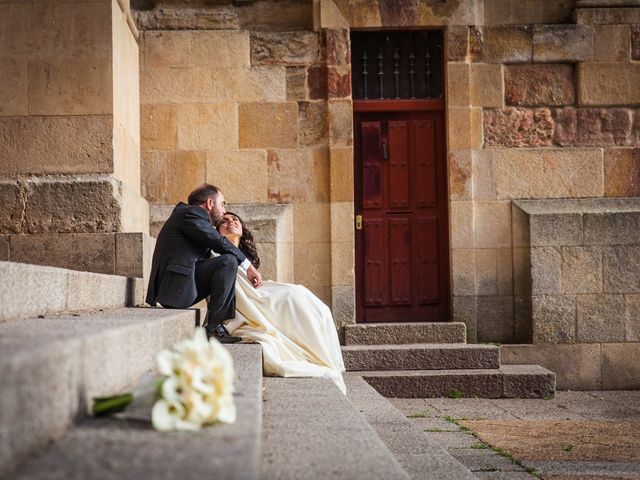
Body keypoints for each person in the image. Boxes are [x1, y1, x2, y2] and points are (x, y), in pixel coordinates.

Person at [216, 212, 346, 394]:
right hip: (249, 301)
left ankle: (320, 355)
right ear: (217, 231)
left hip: (258, 293)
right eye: (224, 221)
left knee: (314, 304)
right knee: (291, 297)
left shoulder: (246, 259)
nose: (230, 222)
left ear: (242, 230)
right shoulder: (216, 254)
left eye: (234, 220)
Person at [146, 184, 262, 343]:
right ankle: (214, 327)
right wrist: (247, 265)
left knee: (226, 262)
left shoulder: (190, 217)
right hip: (173, 288)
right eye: (222, 204)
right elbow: (217, 242)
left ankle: (216, 325)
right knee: (227, 261)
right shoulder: (191, 213)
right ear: (209, 203)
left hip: (180, 283)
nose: (223, 211)